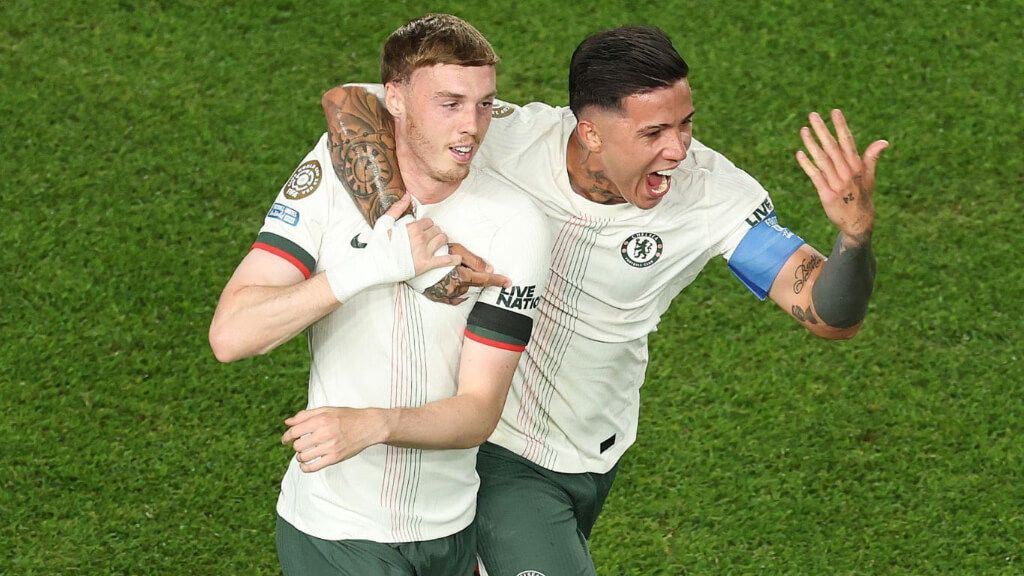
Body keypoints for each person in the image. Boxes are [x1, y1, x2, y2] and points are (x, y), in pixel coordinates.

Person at [321, 25, 887, 576]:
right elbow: (351, 101)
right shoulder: (510, 138)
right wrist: (410, 237)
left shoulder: (713, 195)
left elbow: (830, 317)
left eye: (685, 125)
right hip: (498, 446)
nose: (678, 150)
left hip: (592, 450)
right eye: (653, 133)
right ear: (590, 132)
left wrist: (854, 238)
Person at [209, 14, 552, 576]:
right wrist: (368, 267)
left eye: (485, 104)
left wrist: (374, 423)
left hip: (452, 531)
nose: (471, 127)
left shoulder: (514, 223)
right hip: (337, 533)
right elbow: (231, 336)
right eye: (449, 103)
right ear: (394, 98)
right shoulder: (331, 178)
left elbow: (477, 412)